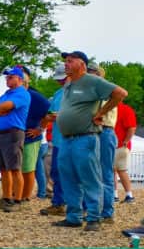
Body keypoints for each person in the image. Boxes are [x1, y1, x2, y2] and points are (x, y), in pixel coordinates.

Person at [52, 51, 127, 230]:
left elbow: (120, 93)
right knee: (68, 177)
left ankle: (94, 217)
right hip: (67, 139)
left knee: (90, 178)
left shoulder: (92, 81)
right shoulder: (69, 84)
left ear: (82, 64)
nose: (66, 64)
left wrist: (101, 113)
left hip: (85, 138)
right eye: (66, 61)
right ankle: (74, 216)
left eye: (70, 61)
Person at [0, 66, 31, 212]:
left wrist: (1, 110)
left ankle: (17, 200)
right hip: (2, 132)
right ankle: (6, 198)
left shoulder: (22, 94)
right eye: (7, 77)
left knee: (15, 168)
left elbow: (5, 106)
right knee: (3, 168)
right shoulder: (6, 93)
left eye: (10, 77)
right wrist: (2, 111)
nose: (7, 79)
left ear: (19, 79)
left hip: (14, 133)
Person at [90, 63, 120, 223]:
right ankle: (98, 210)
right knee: (96, 173)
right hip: (98, 132)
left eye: (92, 72)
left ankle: (107, 212)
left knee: (105, 173)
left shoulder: (106, 91)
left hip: (104, 131)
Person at [40, 64, 69, 217]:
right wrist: (45, 121)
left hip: (71, 138)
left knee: (73, 173)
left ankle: (79, 206)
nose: (60, 82)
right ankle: (58, 203)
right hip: (58, 139)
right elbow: (49, 113)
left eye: (63, 79)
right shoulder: (58, 93)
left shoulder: (77, 92)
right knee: (56, 172)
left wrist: (59, 116)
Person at [20, 72, 51, 201]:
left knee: (32, 168)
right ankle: (21, 193)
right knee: (26, 167)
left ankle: (31, 195)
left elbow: (49, 114)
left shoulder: (35, 96)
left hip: (32, 139)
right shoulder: (13, 95)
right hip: (19, 138)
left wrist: (40, 129)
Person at [114, 102, 137, 203]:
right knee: (118, 170)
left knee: (116, 170)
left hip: (119, 145)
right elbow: (131, 127)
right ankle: (126, 195)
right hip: (121, 145)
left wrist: (125, 141)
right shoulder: (126, 109)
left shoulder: (122, 109)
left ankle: (118, 195)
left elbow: (132, 127)